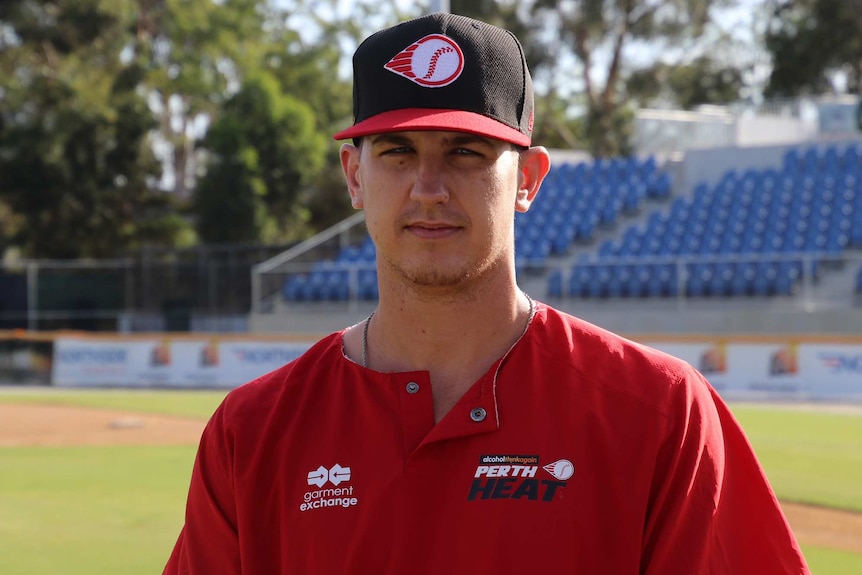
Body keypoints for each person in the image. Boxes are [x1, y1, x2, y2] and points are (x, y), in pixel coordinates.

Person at [164, 12, 810, 574]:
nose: (428, 186)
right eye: (395, 151)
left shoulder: (660, 412)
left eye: (467, 152)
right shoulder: (251, 433)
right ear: (354, 174)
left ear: (528, 177)